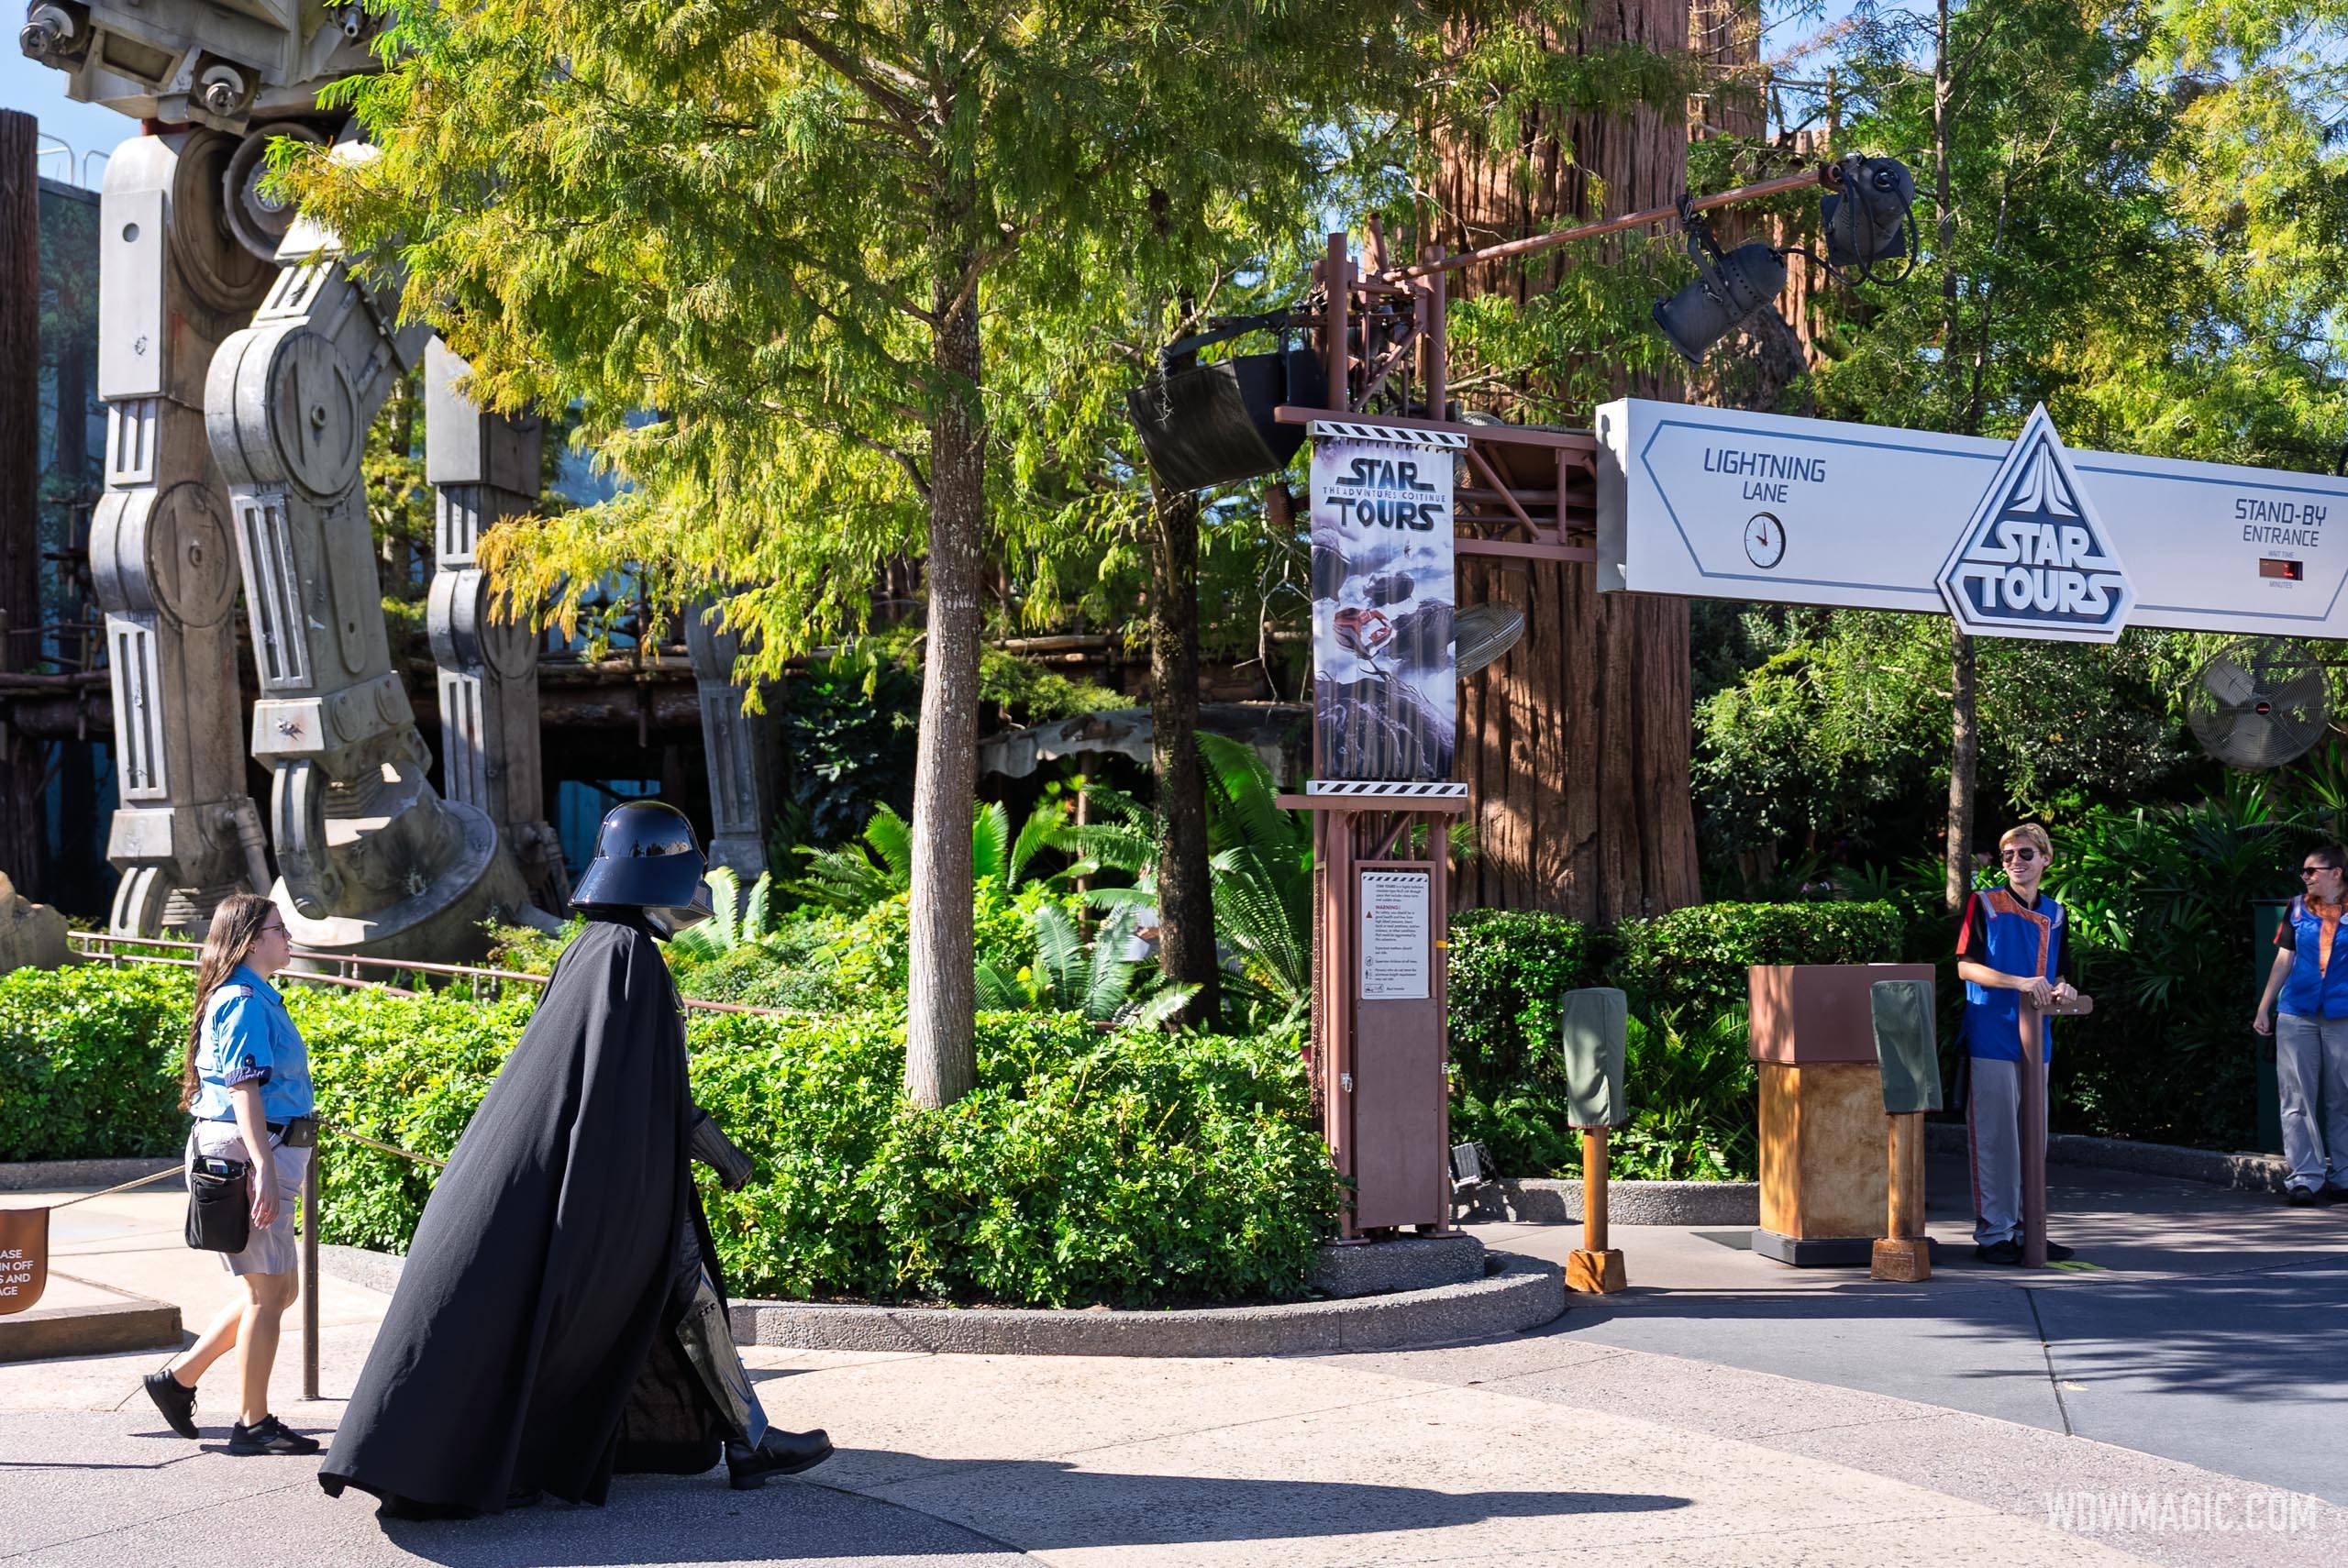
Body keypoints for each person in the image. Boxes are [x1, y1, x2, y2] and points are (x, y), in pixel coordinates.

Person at [319, 801, 830, 1519]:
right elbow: (644, 1088)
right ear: (654, 877)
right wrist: (721, 1153)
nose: (699, 895)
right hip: (606, 1186)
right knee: (683, 1291)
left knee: (689, 1291)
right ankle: (748, 1441)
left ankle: (749, 1439)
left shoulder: (598, 950)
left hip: (606, 1178)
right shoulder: (626, 958)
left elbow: (627, 1083)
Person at [140, 893, 321, 1455]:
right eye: (279, 929)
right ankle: (252, 1423)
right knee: (268, 1292)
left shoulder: (256, 995)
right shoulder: (242, 999)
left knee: (278, 1289)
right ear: (250, 939)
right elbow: (244, 1086)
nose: (288, 937)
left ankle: (179, 1380)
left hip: (262, 1149)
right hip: (249, 1153)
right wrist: (263, 1167)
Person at [1955, 822, 2078, 1265]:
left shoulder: (2057, 913)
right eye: (2007, 855)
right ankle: (1994, 1235)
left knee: (2033, 1140)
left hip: (2036, 1040)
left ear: (2045, 858)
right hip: (1991, 1034)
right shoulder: (1984, 904)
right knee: (1996, 1139)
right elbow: (1966, 968)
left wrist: (2062, 990)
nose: (2015, 862)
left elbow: (2059, 974)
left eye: (2025, 854)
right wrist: (2019, 982)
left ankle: (2031, 1231)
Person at [2250, 845, 2348, 1206]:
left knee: (2344, 1097)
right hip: (2298, 1010)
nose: (2306, 877)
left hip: (2344, 1012)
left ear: (2336, 873)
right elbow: (2283, 959)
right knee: (2296, 1098)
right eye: (2303, 872)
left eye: (2313, 871)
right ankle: (2305, 1178)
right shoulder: (2296, 908)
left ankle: (2344, 1177)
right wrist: (2264, 1008)